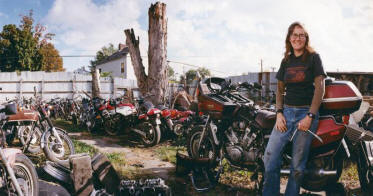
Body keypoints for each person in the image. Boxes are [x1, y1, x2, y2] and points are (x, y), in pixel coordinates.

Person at [262, 22, 326, 196]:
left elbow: (320, 89)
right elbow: (280, 90)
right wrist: (279, 113)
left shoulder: (314, 58)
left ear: (306, 38)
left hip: (306, 114)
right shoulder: (286, 61)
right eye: (294, 35)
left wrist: (310, 116)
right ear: (289, 38)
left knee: (297, 166)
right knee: (270, 158)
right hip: (286, 114)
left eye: (301, 35)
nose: (298, 38)